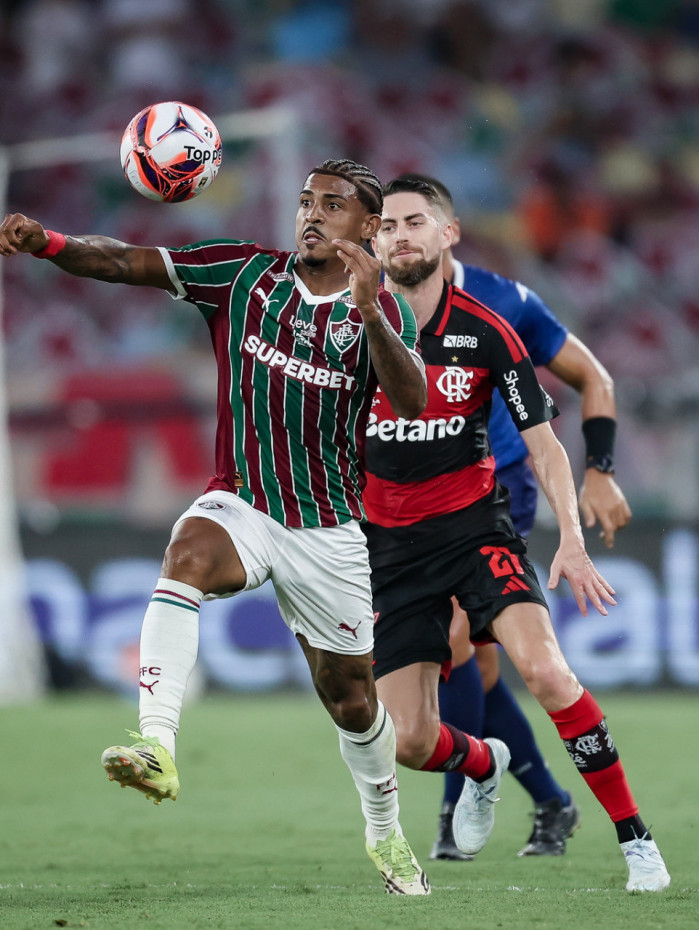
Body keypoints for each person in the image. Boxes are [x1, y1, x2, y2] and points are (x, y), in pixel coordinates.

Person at [0, 159, 432, 896]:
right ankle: (156, 744)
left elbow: (412, 400)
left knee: (353, 701)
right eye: (305, 201)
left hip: (326, 528)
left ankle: (386, 834)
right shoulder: (242, 275)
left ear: (368, 227)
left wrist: (366, 310)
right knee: (186, 555)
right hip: (242, 501)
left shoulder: (383, 312)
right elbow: (126, 261)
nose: (311, 214)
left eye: (332, 205)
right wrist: (48, 242)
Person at [363, 176, 670, 893]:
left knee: (544, 671)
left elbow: (543, 441)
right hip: (389, 549)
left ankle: (635, 840)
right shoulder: (349, 331)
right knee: (407, 739)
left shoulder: (491, 323)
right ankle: (482, 765)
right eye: (387, 226)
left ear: (449, 234)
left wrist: (569, 533)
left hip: (476, 524)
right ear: (372, 241)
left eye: (415, 222)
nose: (399, 235)